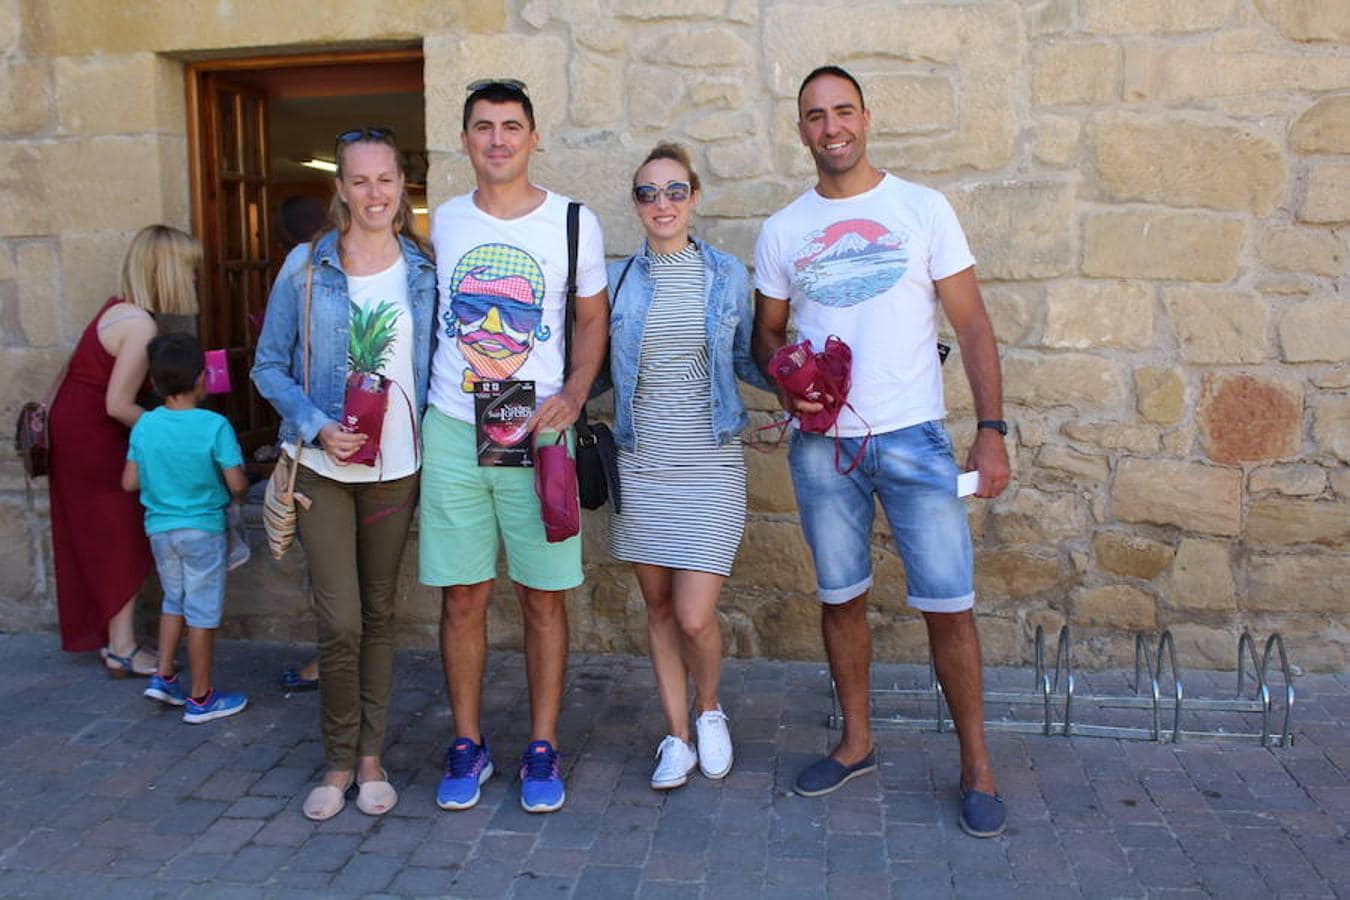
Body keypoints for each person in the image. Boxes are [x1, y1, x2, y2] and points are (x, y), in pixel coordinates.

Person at [752, 65, 1012, 838]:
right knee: (841, 598)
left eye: (843, 111)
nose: (831, 127)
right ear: (800, 130)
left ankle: (977, 766)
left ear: (866, 118)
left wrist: (990, 430)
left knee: (949, 609)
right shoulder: (782, 229)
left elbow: (971, 326)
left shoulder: (920, 209)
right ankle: (856, 741)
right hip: (821, 447)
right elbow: (767, 330)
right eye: (815, 116)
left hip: (913, 438)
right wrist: (785, 376)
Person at [422, 79, 608, 815]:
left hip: (538, 428)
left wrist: (575, 391)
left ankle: (541, 745)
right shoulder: (443, 223)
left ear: (533, 138)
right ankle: (466, 743)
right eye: (482, 127)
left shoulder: (571, 222)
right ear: (464, 141)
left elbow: (592, 323)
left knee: (542, 597)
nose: (497, 139)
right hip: (453, 423)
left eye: (510, 126)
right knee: (462, 595)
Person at [252, 126, 437, 821]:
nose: (374, 193)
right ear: (340, 189)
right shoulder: (305, 268)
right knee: (340, 621)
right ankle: (335, 759)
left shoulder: (423, 270)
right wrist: (316, 423)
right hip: (324, 470)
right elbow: (266, 365)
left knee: (381, 613)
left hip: (397, 470)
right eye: (359, 180)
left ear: (401, 185)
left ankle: (371, 758)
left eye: (385, 179)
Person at [605, 142, 773, 790]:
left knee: (695, 614)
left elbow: (745, 358)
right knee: (658, 608)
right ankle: (674, 734)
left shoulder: (727, 274)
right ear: (637, 205)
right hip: (642, 460)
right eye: (649, 193)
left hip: (710, 459)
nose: (662, 203)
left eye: (675, 191)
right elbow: (590, 369)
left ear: (694, 198)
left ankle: (709, 709)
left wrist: (802, 386)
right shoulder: (617, 279)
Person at [49, 224, 202, 677]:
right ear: (168, 270)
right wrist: (174, 432)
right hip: (94, 439)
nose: (194, 280)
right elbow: (117, 404)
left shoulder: (118, 310)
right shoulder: (139, 324)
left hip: (79, 432)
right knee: (120, 532)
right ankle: (122, 647)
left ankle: (118, 640)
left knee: (111, 532)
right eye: (189, 270)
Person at [123, 332, 249, 722]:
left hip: (160, 530)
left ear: (155, 383)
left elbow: (129, 482)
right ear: (202, 378)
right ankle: (200, 696)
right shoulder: (215, 426)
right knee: (202, 613)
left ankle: (163, 676)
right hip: (202, 530)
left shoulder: (145, 426)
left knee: (173, 601)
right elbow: (237, 484)